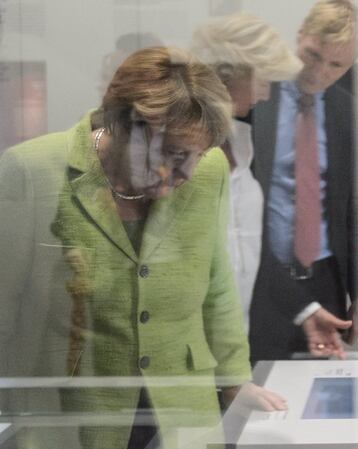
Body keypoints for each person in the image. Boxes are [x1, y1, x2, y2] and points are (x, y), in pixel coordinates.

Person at [0, 47, 285, 449]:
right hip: (71, 416)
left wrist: (234, 380)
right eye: (173, 154)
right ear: (120, 127)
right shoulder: (32, 171)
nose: (188, 172)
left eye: (199, 154)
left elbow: (216, 284)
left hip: (181, 413)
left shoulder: (208, 172)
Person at [249, 0, 358, 361]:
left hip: (325, 277)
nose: (319, 72)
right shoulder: (258, 98)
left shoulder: (346, 109)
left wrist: (356, 292)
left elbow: (347, 205)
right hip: (263, 276)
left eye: (336, 65)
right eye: (312, 55)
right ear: (299, 37)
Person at [191, 13, 302, 331]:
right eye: (263, 81)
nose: (266, 95)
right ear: (227, 74)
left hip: (235, 340)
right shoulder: (180, 157)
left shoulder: (243, 144)